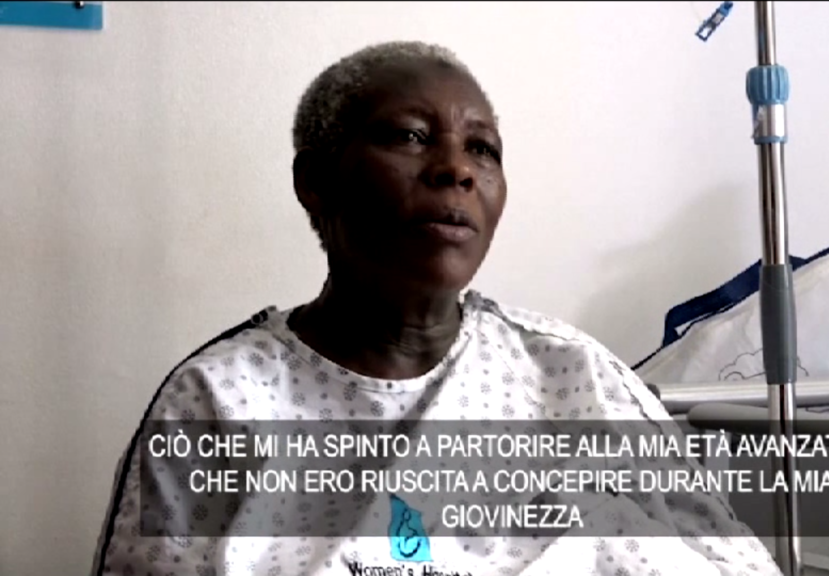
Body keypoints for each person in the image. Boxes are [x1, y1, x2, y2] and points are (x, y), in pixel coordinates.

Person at [91, 41, 782, 576]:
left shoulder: (572, 375)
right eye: (411, 136)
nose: (458, 169)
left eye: (482, 149)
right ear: (316, 182)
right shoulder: (218, 398)